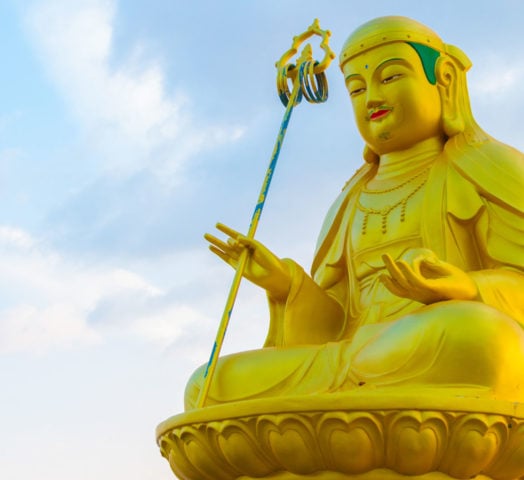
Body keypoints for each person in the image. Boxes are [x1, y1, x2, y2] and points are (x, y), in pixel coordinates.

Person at [185, 16, 524, 409]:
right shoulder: (350, 198)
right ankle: (350, 400)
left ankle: (345, 405)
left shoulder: (489, 167)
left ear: (443, 80)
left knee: (482, 337)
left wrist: (467, 289)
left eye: (391, 77)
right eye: (357, 89)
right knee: (206, 386)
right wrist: (286, 286)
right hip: (350, 360)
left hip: (436, 343)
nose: (372, 99)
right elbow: (335, 327)